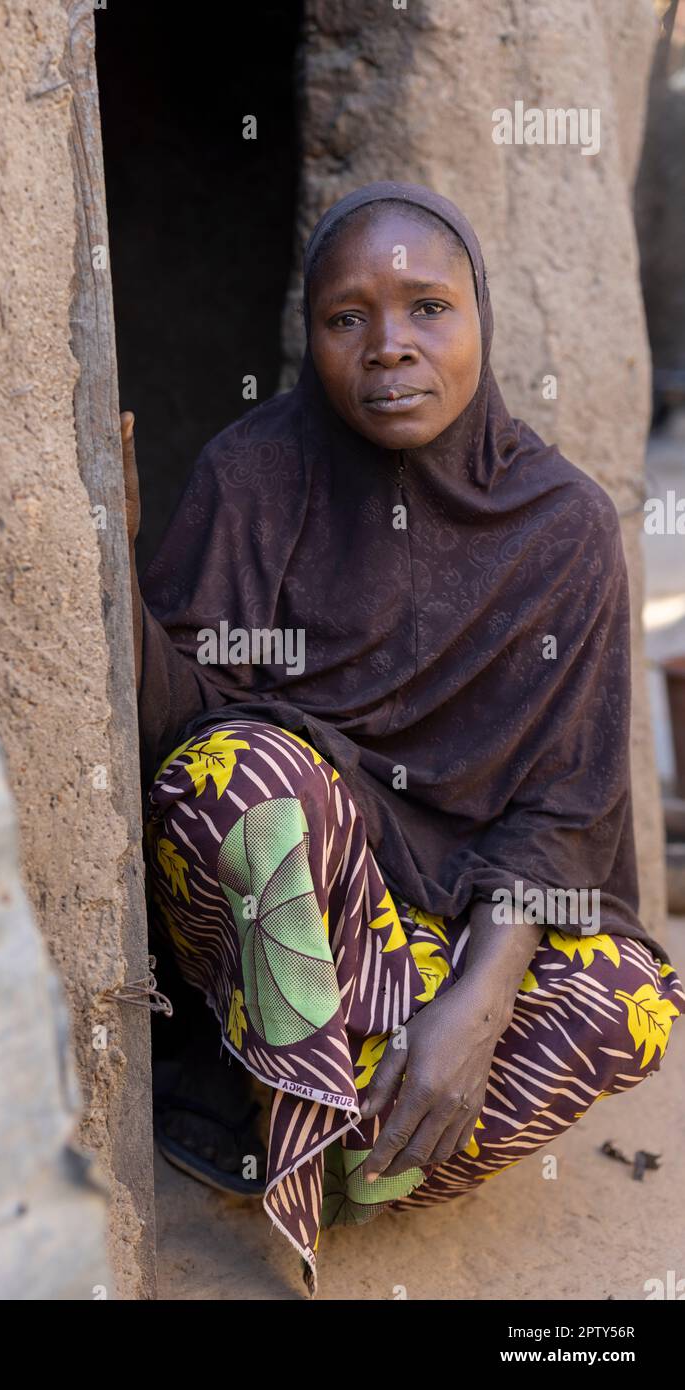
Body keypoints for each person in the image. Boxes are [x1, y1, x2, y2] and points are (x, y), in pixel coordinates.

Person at [121, 181, 684, 1296]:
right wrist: (114, 564)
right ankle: (282, 1097)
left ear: (481, 321)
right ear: (313, 338)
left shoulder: (560, 524)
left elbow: (565, 812)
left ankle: (351, 1157)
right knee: (247, 774)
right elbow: (173, 738)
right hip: (291, 930)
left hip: (444, 931)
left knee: (631, 999)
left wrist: (471, 1013)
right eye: (348, 319)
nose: (390, 347)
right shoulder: (256, 475)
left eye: (428, 307)